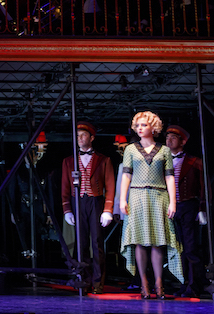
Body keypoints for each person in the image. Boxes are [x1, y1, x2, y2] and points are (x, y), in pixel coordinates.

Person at [119, 111, 183, 299]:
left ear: (153, 127)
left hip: (158, 196)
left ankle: (159, 283)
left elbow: (170, 177)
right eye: (137, 125)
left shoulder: (163, 151)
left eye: (144, 125)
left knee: (158, 241)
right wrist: (122, 199)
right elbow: (126, 176)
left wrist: (173, 202)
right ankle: (144, 284)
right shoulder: (130, 149)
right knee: (139, 241)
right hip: (137, 196)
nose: (140, 128)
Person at [60, 121, 115, 294]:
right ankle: (82, 280)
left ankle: (98, 282)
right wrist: (67, 209)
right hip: (78, 202)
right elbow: (65, 187)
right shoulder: (69, 161)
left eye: (83, 135)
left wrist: (108, 209)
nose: (79, 138)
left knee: (97, 242)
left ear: (92, 138)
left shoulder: (103, 160)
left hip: (96, 202)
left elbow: (110, 185)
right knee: (80, 243)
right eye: (77, 136)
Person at [164, 125, 207, 298]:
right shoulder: (163, 162)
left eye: (173, 138)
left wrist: (202, 208)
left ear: (183, 141)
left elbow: (204, 187)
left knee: (190, 248)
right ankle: (184, 283)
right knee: (178, 248)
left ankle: (195, 284)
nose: (169, 140)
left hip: (188, 206)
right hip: (171, 208)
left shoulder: (194, 161)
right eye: (167, 137)